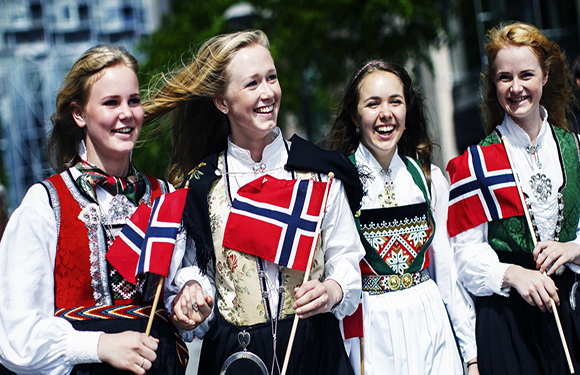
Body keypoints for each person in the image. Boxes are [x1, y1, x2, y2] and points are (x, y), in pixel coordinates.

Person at [143, 29, 365, 375]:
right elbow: (194, 277)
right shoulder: (201, 187)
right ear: (221, 101)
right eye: (252, 84)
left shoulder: (319, 172)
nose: (268, 93)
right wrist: (191, 296)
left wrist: (332, 290)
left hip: (315, 348)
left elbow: (346, 258)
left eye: (271, 78)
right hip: (237, 357)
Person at [0, 44, 187, 375]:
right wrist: (98, 345)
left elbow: (173, 291)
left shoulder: (163, 195)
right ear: (79, 114)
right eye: (111, 103)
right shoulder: (45, 204)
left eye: (133, 100)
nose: (126, 113)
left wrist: (189, 299)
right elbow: (15, 334)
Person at [326, 60, 478, 374]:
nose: (386, 113)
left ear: (407, 112)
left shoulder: (428, 177)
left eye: (396, 101)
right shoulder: (338, 182)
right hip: (372, 323)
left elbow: (447, 272)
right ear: (355, 117)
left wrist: (471, 354)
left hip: (430, 316)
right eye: (373, 103)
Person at [452, 21, 580, 375]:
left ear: (545, 75)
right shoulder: (475, 162)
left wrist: (572, 248)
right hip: (510, 322)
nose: (516, 87)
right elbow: (464, 256)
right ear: (493, 84)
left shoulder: (575, 148)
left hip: (570, 310)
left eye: (526, 75)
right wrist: (514, 275)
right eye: (504, 77)